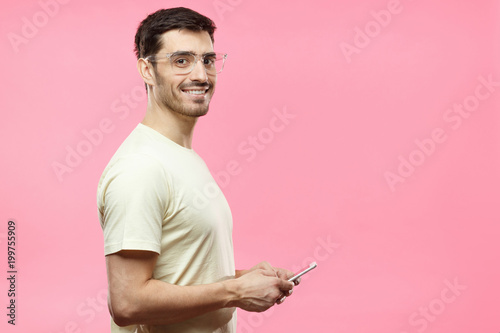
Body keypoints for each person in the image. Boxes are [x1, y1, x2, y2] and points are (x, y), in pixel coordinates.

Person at [97, 7, 297, 333]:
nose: (201, 76)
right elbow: (127, 302)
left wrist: (245, 279)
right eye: (181, 61)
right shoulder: (140, 169)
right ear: (147, 70)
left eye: (207, 60)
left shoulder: (181, 156)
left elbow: (181, 277)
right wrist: (234, 292)